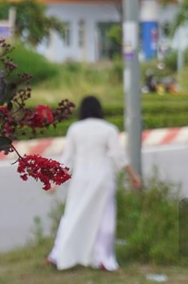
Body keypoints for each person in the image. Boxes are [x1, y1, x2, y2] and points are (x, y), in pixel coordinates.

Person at [47, 96, 142, 271]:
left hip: (81, 179)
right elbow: (119, 156)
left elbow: (66, 159)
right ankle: (102, 259)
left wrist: (54, 182)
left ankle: (59, 254)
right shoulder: (108, 129)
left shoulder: (75, 129)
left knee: (72, 215)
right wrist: (133, 175)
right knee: (103, 220)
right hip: (102, 178)